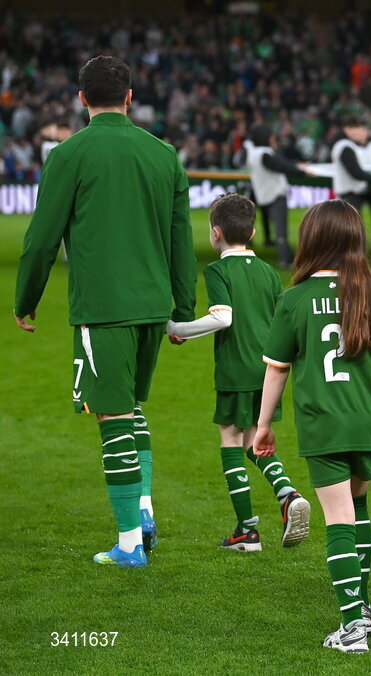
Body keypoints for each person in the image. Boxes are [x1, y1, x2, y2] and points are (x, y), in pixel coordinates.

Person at [14, 55, 197, 567]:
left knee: (114, 415)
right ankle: (142, 511)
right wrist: (182, 311)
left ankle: (129, 545)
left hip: (104, 306)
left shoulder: (69, 154)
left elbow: (41, 241)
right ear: (130, 97)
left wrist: (25, 301)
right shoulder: (164, 156)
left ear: (81, 99)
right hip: (152, 308)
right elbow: (181, 241)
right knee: (132, 407)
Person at [255, 199, 371, 654]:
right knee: (358, 508)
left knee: (337, 516)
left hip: (325, 420)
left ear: (312, 241)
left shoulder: (294, 298)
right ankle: (360, 609)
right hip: (369, 416)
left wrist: (264, 425)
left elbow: (277, 368)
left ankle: (352, 627)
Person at [165, 193, 310, 552]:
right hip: (268, 370)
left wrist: (176, 328)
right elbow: (282, 320)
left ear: (215, 233)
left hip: (235, 369)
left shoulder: (217, 270)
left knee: (231, 440)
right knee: (254, 442)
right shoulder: (268, 271)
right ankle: (288, 495)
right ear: (253, 231)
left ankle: (246, 531)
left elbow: (222, 317)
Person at [240, 124, 311, 268]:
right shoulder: (265, 153)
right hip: (275, 193)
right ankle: (286, 259)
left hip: (262, 192)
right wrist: (302, 171)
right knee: (281, 231)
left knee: (272, 228)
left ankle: (254, 250)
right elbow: (283, 166)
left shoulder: (252, 152)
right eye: (271, 136)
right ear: (265, 137)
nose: (274, 138)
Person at [331, 118, 371, 244]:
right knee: (352, 224)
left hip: (353, 189)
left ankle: (353, 249)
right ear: (347, 130)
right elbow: (355, 171)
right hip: (351, 190)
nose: (359, 132)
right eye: (355, 129)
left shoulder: (344, 145)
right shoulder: (346, 147)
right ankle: (352, 252)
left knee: (351, 223)